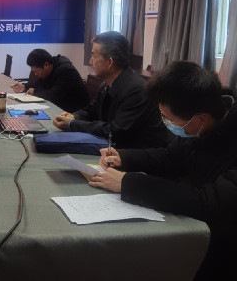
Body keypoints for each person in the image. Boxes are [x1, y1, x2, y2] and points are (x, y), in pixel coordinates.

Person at [89, 61, 237, 280]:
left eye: (169, 118)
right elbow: (169, 157)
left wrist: (129, 183)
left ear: (201, 119)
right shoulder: (197, 125)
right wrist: (125, 158)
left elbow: (210, 202)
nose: (165, 123)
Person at [53, 31, 170, 149]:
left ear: (110, 62)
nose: (90, 61)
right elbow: (91, 111)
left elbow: (115, 132)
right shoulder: (106, 85)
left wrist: (72, 124)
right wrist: (74, 117)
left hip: (138, 154)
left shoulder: (136, 90)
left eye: (94, 56)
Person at [10, 49, 89, 112]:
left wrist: (35, 91)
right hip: (59, 109)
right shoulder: (52, 66)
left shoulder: (66, 71)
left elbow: (53, 96)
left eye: (36, 71)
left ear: (46, 65)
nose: (35, 74)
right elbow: (39, 83)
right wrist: (24, 87)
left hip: (74, 114)